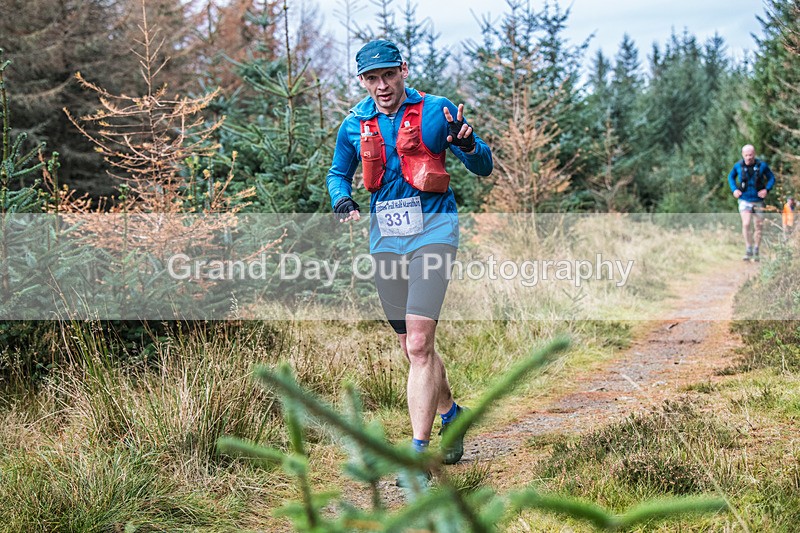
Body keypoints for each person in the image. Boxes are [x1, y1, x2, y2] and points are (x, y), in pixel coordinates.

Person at [325, 40, 493, 480]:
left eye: (388, 75)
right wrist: (342, 200)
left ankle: (418, 455)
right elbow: (337, 173)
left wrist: (469, 144)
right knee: (412, 347)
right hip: (386, 242)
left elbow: (483, 165)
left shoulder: (437, 110)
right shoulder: (354, 124)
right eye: (372, 78)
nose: (382, 85)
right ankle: (451, 414)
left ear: (403, 69)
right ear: (362, 80)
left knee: (418, 344)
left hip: (434, 235)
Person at [727, 144, 776, 261]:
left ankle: (756, 249)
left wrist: (766, 189)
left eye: (751, 155)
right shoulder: (738, 166)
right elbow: (730, 177)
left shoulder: (762, 165)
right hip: (744, 200)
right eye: (746, 155)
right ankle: (748, 247)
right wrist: (734, 190)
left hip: (758, 200)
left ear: (754, 154)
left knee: (758, 226)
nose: (749, 157)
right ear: (742, 155)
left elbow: (771, 178)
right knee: (746, 223)